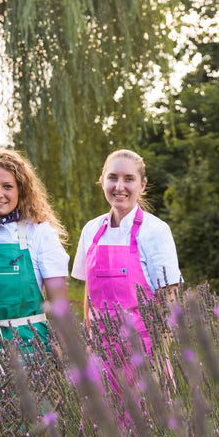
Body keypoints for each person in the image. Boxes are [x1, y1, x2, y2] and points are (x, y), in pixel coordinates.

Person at [0, 148, 68, 365]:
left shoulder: (39, 232)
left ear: (21, 191)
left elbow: (59, 301)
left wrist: (60, 351)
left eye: (8, 186)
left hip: (31, 350)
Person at [72, 148, 181, 355]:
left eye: (128, 178)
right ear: (102, 181)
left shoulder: (155, 231)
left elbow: (171, 301)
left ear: (142, 185)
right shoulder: (91, 230)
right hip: (99, 354)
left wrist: (158, 361)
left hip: (144, 356)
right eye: (112, 177)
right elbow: (89, 295)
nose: (119, 186)